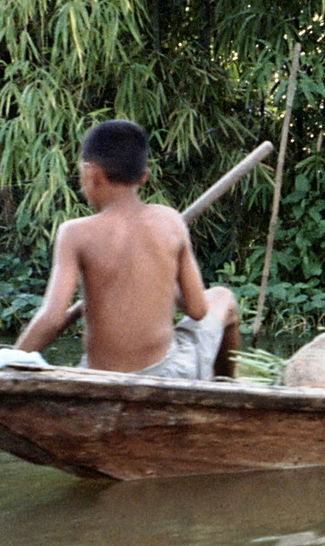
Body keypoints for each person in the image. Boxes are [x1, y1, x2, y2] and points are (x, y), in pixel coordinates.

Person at [14, 120, 239, 378]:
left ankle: (221, 388)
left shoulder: (74, 233)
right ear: (144, 177)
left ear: (91, 173)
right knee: (223, 298)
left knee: (218, 299)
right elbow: (198, 309)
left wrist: (8, 361)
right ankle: (227, 384)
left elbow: (51, 319)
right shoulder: (170, 221)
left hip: (98, 377)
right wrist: (164, 277)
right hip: (168, 374)